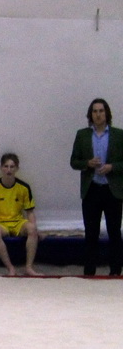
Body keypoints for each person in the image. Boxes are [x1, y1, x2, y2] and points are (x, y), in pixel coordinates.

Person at [70, 98, 123, 276]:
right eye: (94, 111)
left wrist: (112, 167)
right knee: (91, 233)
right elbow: (74, 161)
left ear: (107, 113)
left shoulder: (119, 135)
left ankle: (115, 271)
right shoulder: (82, 135)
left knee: (114, 232)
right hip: (91, 189)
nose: (98, 114)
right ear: (90, 115)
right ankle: (89, 272)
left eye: (101, 111)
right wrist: (87, 163)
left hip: (112, 189)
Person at [0, 153, 41, 276]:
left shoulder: (24, 187)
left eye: (12, 167)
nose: (9, 170)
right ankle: (10, 268)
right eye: (6, 166)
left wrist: (36, 229)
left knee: (32, 229)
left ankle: (29, 267)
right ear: (1, 168)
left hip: (18, 222)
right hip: (0, 223)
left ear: (17, 168)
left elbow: (30, 212)